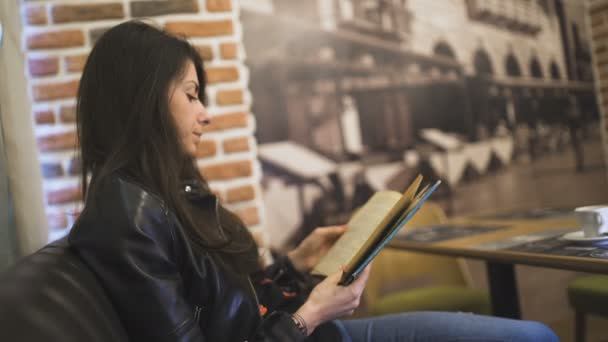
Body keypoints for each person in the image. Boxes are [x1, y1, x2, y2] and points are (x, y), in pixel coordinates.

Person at [68, 20, 559, 342]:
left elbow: (225, 309)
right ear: (145, 100)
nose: (206, 115)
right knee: (533, 338)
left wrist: (293, 264)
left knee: (534, 336)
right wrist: (311, 315)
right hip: (317, 334)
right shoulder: (128, 217)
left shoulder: (166, 193)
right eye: (192, 95)